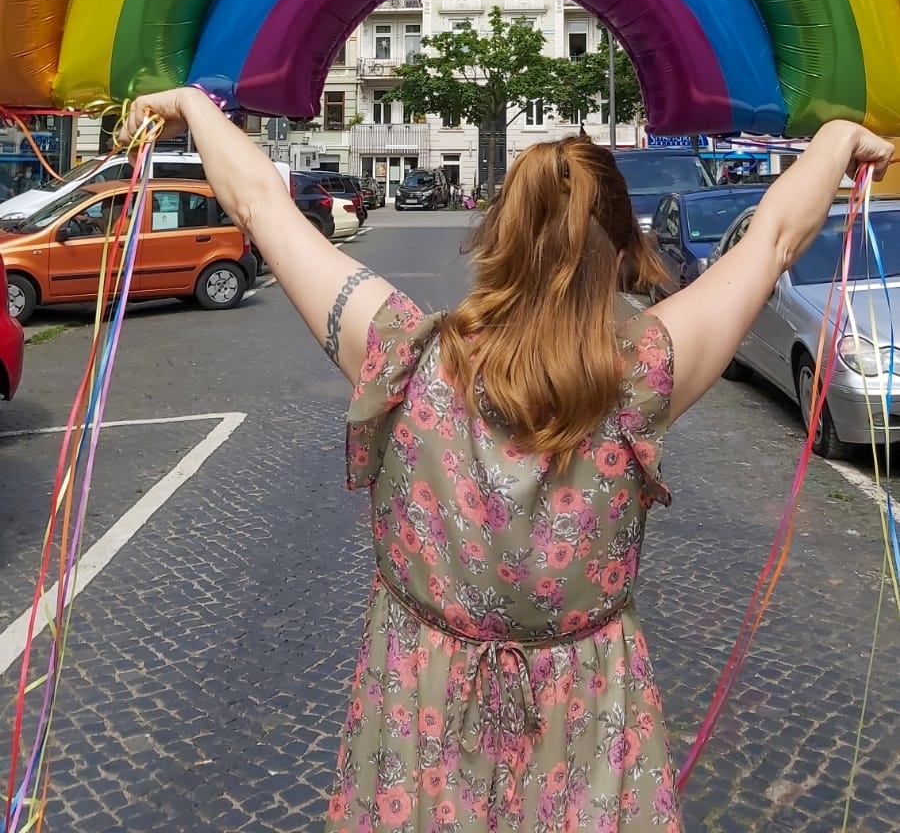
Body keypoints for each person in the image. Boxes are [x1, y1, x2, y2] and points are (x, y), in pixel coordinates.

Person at [119, 90, 893, 833]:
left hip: (419, 719)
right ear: (624, 251)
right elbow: (773, 240)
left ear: (497, 236)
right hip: (589, 721)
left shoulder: (402, 352)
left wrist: (192, 105)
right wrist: (834, 142)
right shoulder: (643, 373)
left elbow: (260, 204)